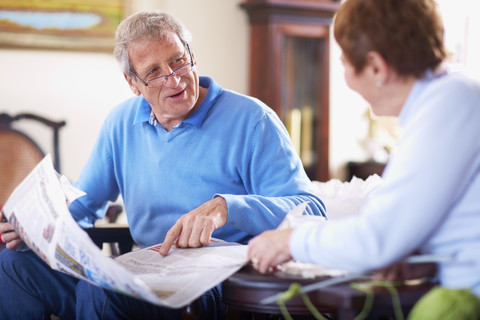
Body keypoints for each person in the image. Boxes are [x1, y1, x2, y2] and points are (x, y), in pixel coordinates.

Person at [0, 10, 326, 320]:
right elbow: (85, 204)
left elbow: (311, 210)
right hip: (143, 271)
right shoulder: (120, 123)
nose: (174, 80)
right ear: (133, 83)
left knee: (99, 294)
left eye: (178, 61)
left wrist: (226, 207)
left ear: (192, 54)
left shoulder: (253, 120)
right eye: (154, 72)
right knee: (13, 264)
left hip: (217, 282)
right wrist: (33, 228)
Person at [248, 0, 480, 302]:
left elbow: (376, 236)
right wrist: (419, 260)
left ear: (375, 66)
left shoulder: (447, 106)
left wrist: (290, 242)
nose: (344, 75)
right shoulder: (450, 98)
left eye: (344, 62)